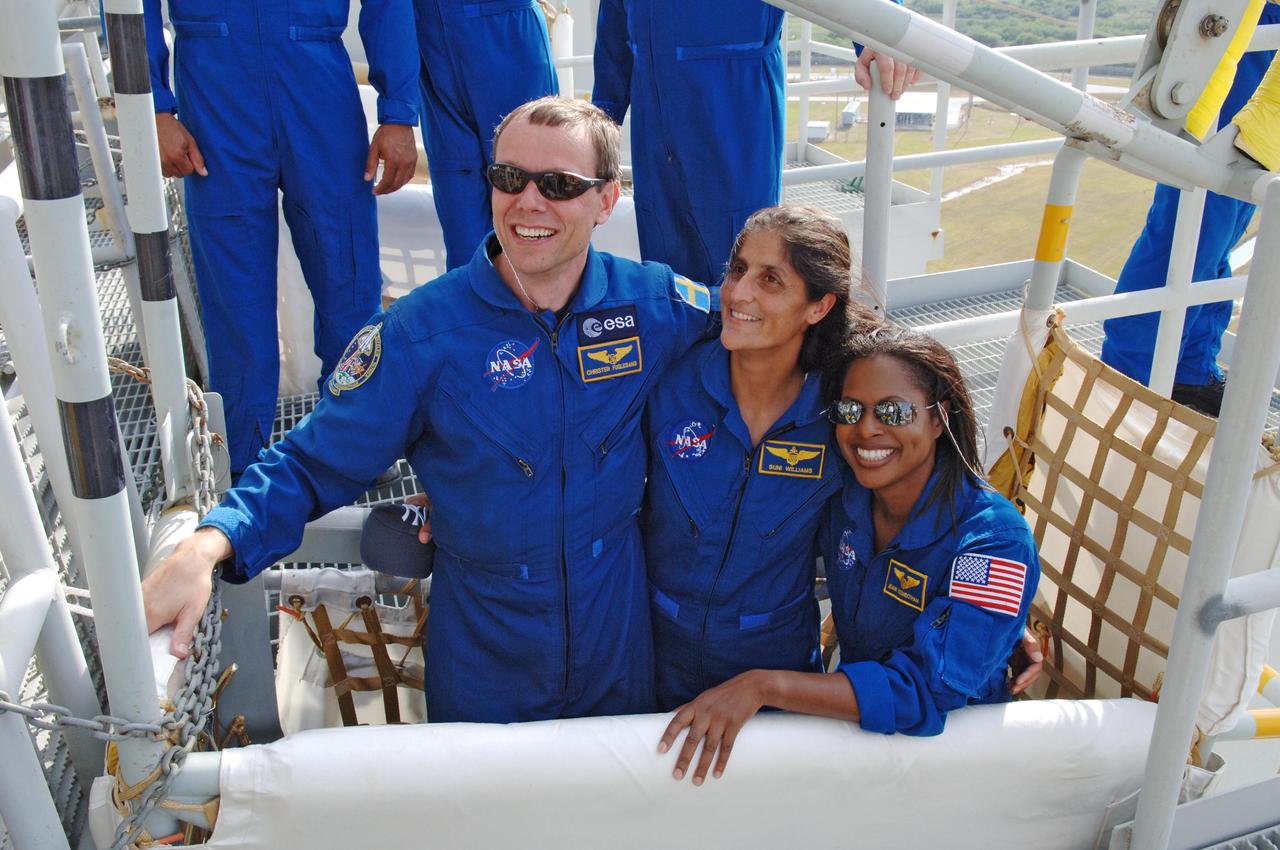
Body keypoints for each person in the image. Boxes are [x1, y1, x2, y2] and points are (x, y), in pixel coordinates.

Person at [142, 97, 716, 724]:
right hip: (487, 657)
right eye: (508, 178)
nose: (528, 202)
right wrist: (209, 544)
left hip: (619, 648)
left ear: (606, 201)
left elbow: (765, 334)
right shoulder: (421, 335)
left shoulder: (654, 306)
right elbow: (310, 463)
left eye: (558, 185)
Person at [658, 325, 1039, 785]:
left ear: (940, 418)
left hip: (953, 761)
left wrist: (762, 686)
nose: (867, 429)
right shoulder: (844, 498)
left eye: (894, 412)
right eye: (849, 409)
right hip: (857, 742)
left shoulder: (995, 542)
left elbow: (924, 690)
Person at [143, 0, 420, 476]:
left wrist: (398, 112)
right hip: (214, 88)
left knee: (348, 280)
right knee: (235, 300)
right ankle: (242, 463)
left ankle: (356, 447)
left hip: (318, 82)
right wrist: (153, 105)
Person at [642, 204, 867, 710]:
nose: (738, 293)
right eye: (738, 269)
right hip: (649, 661)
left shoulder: (845, 414)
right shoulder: (669, 382)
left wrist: (994, 613)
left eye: (771, 280)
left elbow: (926, 494)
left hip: (774, 674)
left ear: (819, 307)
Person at [593, 0, 920, 285]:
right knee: (664, 251)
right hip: (654, 109)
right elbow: (615, 25)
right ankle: (687, 350)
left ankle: (746, 351)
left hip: (732, 99)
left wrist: (881, 30)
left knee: (742, 253)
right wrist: (603, 117)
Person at [1100, 0, 1280, 417]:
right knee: (1190, 224)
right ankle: (1128, 381)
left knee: (1226, 227)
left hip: (1261, 28)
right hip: (1236, 25)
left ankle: (1190, 371)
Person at [411, 0, 560, 270]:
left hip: (507, 38)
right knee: (463, 236)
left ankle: (543, 310)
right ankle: (473, 309)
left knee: (531, 198)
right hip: (433, 52)